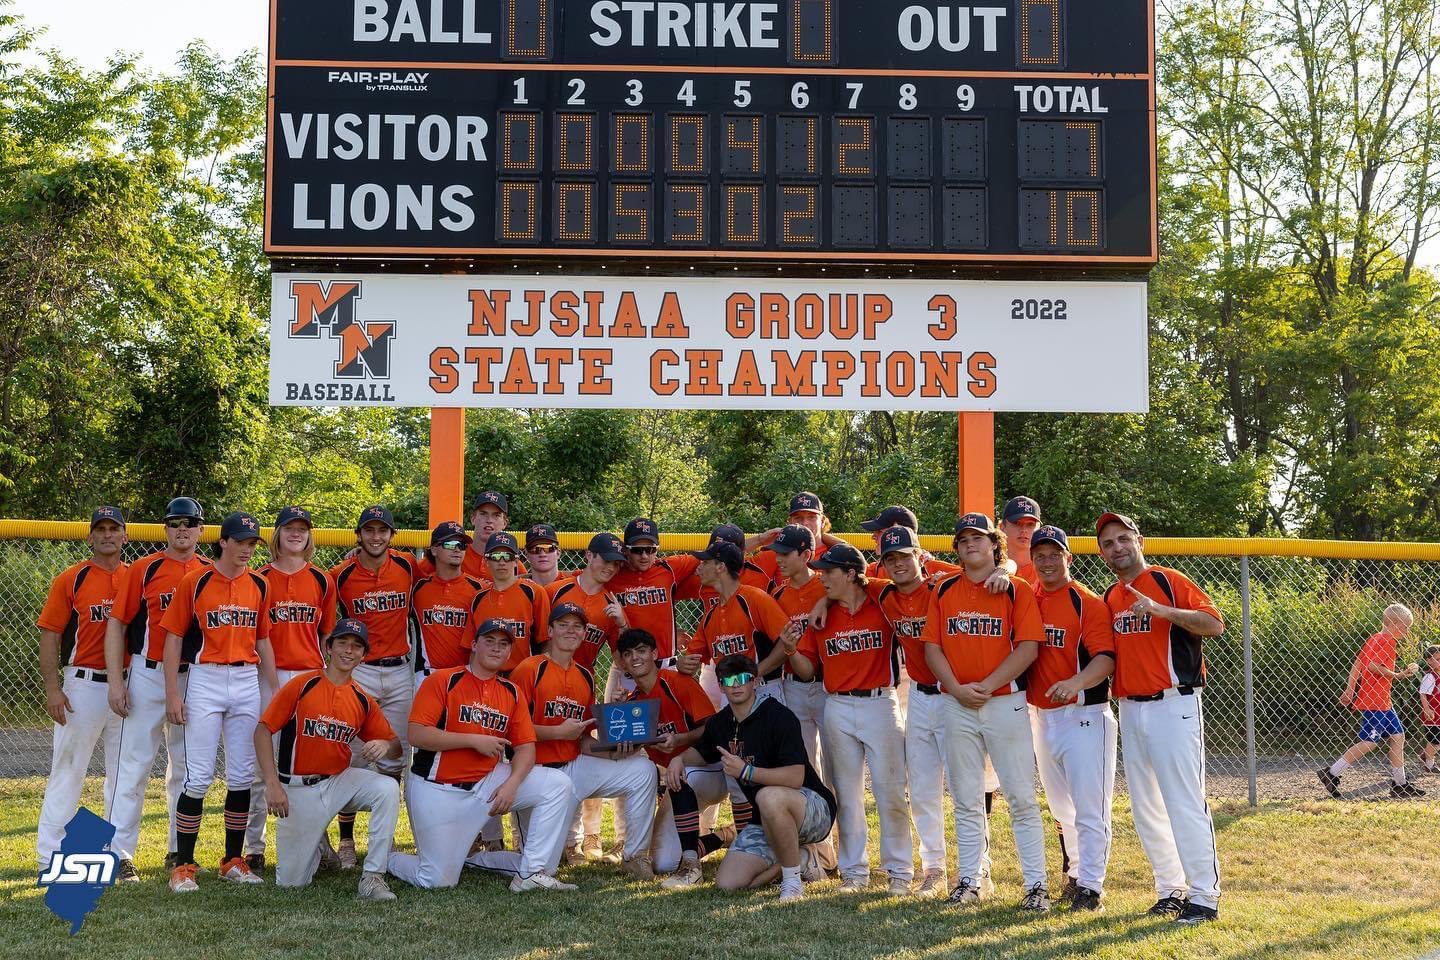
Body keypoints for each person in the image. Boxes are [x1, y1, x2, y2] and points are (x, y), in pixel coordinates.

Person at [1097, 511, 1225, 924]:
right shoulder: (1111, 597)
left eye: (1123, 538)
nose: (1117, 547)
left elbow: (1214, 624)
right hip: (1131, 709)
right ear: (1101, 554)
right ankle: (1170, 889)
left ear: (1140, 541)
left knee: (1184, 801)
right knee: (1145, 806)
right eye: (1108, 543)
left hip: (1174, 703)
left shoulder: (1168, 580)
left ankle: (1204, 896)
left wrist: (1163, 611)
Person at [388, 620, 576, 892]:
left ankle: (530, 872)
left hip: (486, 784)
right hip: (437, 789)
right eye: (489, 641)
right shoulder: (443, 680)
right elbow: (417, 734)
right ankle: (388, 858)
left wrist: (512, 784)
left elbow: (526, 748)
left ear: (510, 652)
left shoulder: (511, 691)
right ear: (474, 645)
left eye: (504, 644)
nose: (497, 648)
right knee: (437, 880)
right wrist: (472, 740)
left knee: (557, 783)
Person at [922, 512, 1050, 912]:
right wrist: (958, 688)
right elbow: (932, 649)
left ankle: (1036, 886)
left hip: (1005, 701)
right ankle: (969, 881)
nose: (970, 544)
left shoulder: (1016, 589)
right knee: (965, 798)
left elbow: (1028, 647)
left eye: (978, 537)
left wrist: (988, 684)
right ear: (957, 550)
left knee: (1021, 797)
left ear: (995, 545)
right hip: (957, 703)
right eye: (962, 540)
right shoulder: (944, 590)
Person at [161, 511, 280, 892]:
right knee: (197, 777)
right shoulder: (194, 582)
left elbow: (263, 639)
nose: (246, 549)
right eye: (240, 541)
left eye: (252, 543)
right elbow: (174, 639)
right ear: (223, 541)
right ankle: (183, 865)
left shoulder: (259, 585)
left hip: (246, 678)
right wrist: (172, 694)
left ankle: (233, 859)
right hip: (206, 678)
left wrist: (274, 690)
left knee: (243, 775)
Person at [786, 542, 913, 895]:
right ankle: (854, 872)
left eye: (829, 571)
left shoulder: (882, 603)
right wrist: (790, 650)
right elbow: (808, 669)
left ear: (851, 574)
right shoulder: (821, 616)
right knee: (846, 793)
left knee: (891, 792)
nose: (821, 576)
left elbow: (896, 585)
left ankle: (899, 871)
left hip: (880, 702)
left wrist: (830, 598)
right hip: (837, 705)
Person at [666, 654, 836, 902]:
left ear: (754, 682)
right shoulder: (721, 722)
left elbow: (796, 777)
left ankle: (792, 883)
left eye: (743, 678)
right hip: (765, 816)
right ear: (721, 685)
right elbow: (701, 752)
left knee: (769, 795)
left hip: (811, 806)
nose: (736, 685)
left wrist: (747, 772)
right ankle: (800, 858)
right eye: (729, 680)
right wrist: (678, 759)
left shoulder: (778, 716)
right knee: (728, 883)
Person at [253, 619, 401, 900]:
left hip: (338, 781)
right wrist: (272, 784)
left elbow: (395, 747)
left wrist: (384, 744)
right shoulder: (303, 685)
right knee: (291, 885)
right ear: (328, 647)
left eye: (357, 646)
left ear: (363, 655)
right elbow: (262, 731)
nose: (349, 651)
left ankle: (372, 878)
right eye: (343, 643)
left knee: (387, 788)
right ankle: (320, 847)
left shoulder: (361, 698)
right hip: (297, 788)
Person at [510, 605, 659, 881]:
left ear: (584, 635)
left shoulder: (585, 675)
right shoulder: (529, 669)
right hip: (537, 773)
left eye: (577, 626)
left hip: (574, 766)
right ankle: (475, 859)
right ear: (550, 631)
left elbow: (580, 739)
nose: (570, 630)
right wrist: (556, 733)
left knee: (642, 770)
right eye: (563, 624)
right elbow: (510, 729)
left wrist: (613, 752)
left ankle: (635, 857)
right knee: (539, 866)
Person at [105, 497, 208, 876]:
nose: (182, 529)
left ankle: (177, 849)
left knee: (186, 767)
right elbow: (117, 623)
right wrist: (118, 681)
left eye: (189, 523)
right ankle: (120, 854)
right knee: (133, 766)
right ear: (165, 529)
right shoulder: (145, 569)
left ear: (201, 529)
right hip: (147, 675)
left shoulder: (210, 572)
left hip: (192, 677)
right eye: (174, 522)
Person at [1026, 525, 1118, 911]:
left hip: (1084, 715)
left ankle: (1092, 886)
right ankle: (1077, 874)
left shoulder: (1087, 603)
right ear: (1032, 560)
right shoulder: (1027, 597)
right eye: (1040, 555)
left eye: (1054, 554)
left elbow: (1106, 658)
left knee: (1090, 807)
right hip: (1040, 716)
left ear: (1069, 557)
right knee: (1062, 809)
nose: (1047, 561)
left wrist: (1076, 681)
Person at [245, 505, 340, 872]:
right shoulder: (259, 577)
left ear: (309, 535)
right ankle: (254, 846)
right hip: (265, 675)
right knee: (261, 763)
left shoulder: (321, 580)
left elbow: (327, 634)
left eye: (302, 528)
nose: (296, 534)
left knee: (307, 762)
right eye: (289, 528)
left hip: (308, 674)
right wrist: (270, 682)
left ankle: (318, 842)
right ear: (278, 534)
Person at [37, 506, 128, 874]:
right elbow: (50, 634)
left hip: (126, 685)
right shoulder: (71, 579)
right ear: (90, 537)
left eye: (114, 528)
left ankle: (119, 854)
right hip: (83, 683)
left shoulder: (134, 578)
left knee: (123, 774)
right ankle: (50, 855)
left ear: (125, 536)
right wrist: (53, 688)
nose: (107, 534)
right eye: (100, 529)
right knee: (69, 770)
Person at [615, 628, 736, 886]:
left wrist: (680, 741)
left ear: (655, 654)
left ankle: (692, 866)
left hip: (710, 771)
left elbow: (712, 729)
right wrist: (616, 712)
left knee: (680, 772)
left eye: (642, 650)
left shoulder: (677, 682)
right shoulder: (632, 701)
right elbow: (623, 749)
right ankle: (725, 836)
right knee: (663, 863)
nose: (635, 658)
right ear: (622, 662)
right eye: (628, 654)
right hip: (678, 781)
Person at [331, 505, 418, 865]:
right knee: (350, 754)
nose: (376, 536)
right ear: (359, 534)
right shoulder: (341, 574)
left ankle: (385, 837)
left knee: (395, 756)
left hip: (400, 669)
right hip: (360, 670)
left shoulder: (408, 566)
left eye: (383, 530)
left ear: (392, 536)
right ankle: (347, 840)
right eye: (370, 530)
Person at [870, 525, 948, 896]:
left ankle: (977, 870)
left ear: (920, 556)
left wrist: (1006, 567)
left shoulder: (942, 586)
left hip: (956, 694)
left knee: (967, 788)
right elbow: (847, 580)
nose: (898, 564)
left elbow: (991, 568)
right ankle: (934, 868)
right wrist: (821, 602)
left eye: (905, 555)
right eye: (891, 558)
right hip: (918, 694)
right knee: (921, 788)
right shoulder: (884, 595)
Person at [1318, 603, 1425, 799]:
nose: (1407, 631)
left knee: (1398, 737)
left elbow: (1359, 664)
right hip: (1375, 701)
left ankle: (1399, 784)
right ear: (1394, 623)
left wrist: (1351, 689)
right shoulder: (1386, 641)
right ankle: (1331, 772)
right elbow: (1374, 666)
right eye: (1405, 626)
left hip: (1384, 702)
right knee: (1369, 742)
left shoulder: (1374, 638)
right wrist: (1399, 674)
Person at [679, 541, 791, 698]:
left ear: (720, 567)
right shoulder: (710, 615)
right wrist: (681, 664)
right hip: (731, 693)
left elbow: (788, 641)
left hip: (763, 689)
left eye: (705, 562)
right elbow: (690, 661)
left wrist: (756, 672)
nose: (699, 567)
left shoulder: (755, 598)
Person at [410, 521, 487, 683]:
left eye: (462, 544)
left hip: (466, 674)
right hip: (427, 674)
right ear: (434, 549)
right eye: (450, 543)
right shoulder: (418, 587)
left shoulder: (479, 589)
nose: (457, 548)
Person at [546, 533, 629, 672]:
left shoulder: (613, 608)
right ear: (589, 555)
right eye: (606, 560)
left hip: (582, 679)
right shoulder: (555, 591)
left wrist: (622, 625)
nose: (611, 568)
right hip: (545, 674)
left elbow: (622, 663)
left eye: (616, 564)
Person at [857, 505, 961, 582]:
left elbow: (971, 578)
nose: (873, 536)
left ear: (897, 530)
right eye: (891, 559)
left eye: (879, 531)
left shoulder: (934, 569)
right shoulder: (878, 568)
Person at [1000, 496, 1043, 588]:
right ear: (1002, 526)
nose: (1024, 530)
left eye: (1030, 524)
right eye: (1017, 523)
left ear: (1038, 528)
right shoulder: (989, 565)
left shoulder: (1046, 569)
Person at [1418, 644, 1440, 774]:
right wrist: (1427, 709)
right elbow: (1423, 693)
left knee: (1437, 740)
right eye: (1436, 659)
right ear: (1429, 660)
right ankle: (1429, 765)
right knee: (1434, 740)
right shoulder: (1430, 676)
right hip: (1433, 715)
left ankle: (1426, 754)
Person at [523, 523, 565, 588]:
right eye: (535, 549)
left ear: (558, 552)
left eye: (549, 548)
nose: (542, 554)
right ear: (526, 554)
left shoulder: (576, 584)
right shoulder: (518, 588)